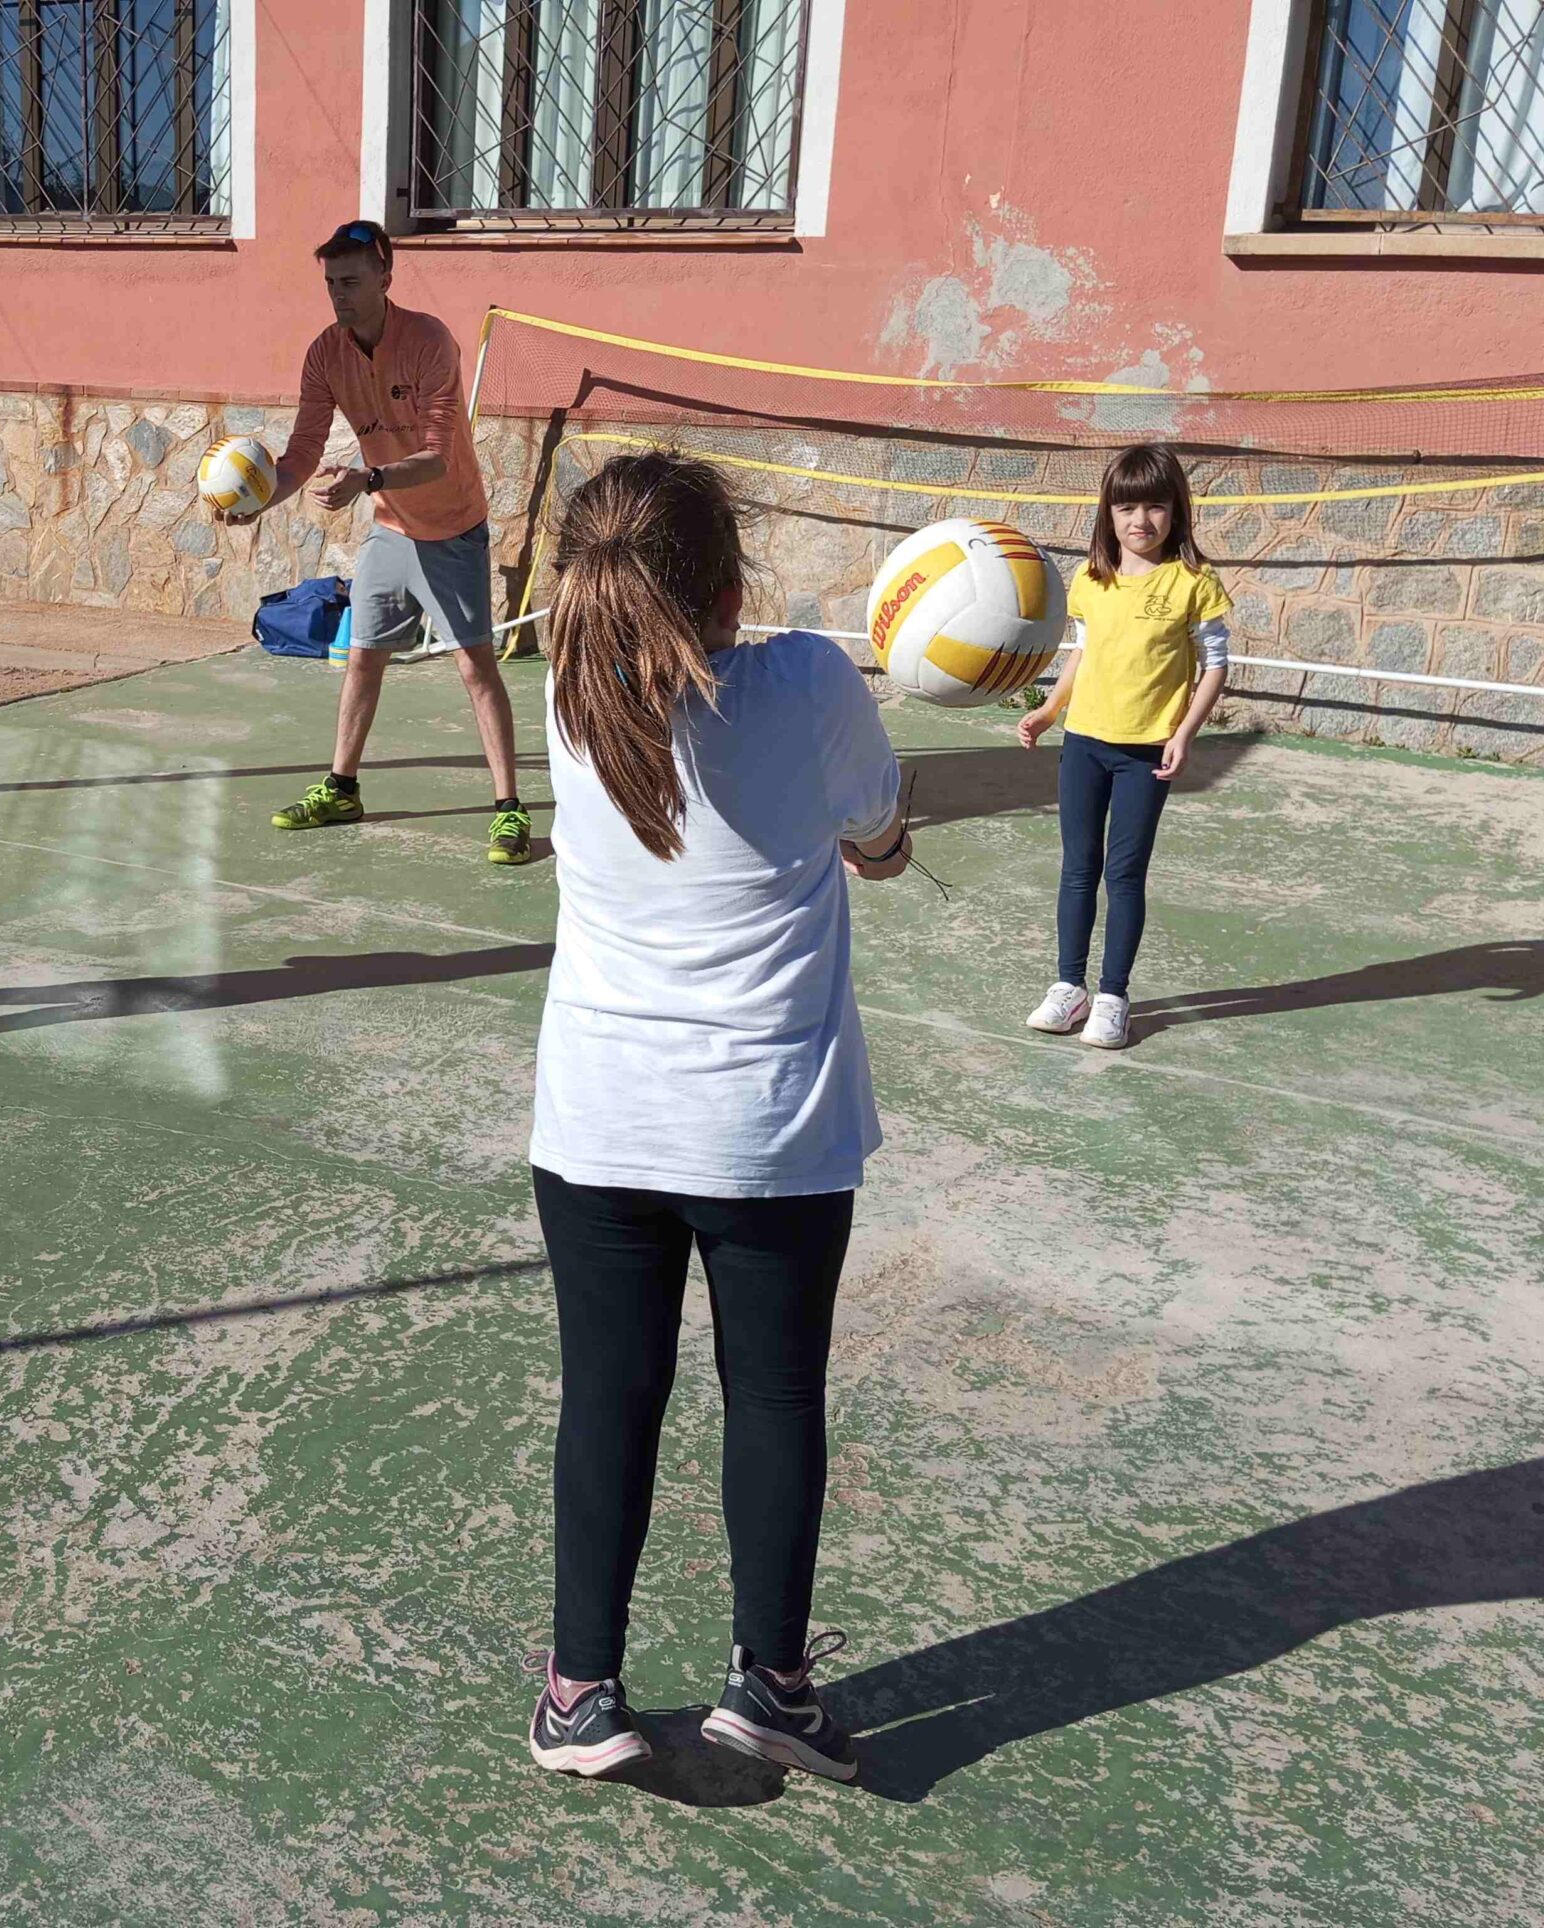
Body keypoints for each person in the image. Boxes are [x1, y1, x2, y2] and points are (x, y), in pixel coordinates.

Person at [523, 450, 911, 1782]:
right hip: (769, 1127)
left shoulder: (570, 694)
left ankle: (581, 1692)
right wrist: (875, 846)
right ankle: (771, 1687)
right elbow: (877, 832)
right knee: (776, 1395)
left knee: (609, 1396)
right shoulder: (807, 682)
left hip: (599, 1121)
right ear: (734, 587)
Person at [221, 220, 530, 865]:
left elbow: (439, 456)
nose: (340, 294)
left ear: (385, 278)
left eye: (352, 282)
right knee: (362, 657)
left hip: (451, 528)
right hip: (391, 530)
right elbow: (304, 451)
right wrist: (259, 501)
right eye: (331, 283)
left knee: (475, 668)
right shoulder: (325, 354)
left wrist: (368, 479)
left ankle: (509, 808)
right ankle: (342, 789)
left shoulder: (429, 341)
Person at [1017, 445, 1231, 1050]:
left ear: (1176, 511)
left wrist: (1184, 733)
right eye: (1127, 507)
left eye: (1155, 506)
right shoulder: (1091, 579)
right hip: (1084, 743)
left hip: (1145, 754)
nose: (1141, 520)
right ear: (1108, 514)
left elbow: (1215, 665)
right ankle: (1069, 987)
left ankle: (1113, 996)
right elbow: (1083, 654)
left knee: (1125, 874)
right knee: (1077, 868)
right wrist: (1049, 711)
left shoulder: (1194, 583)